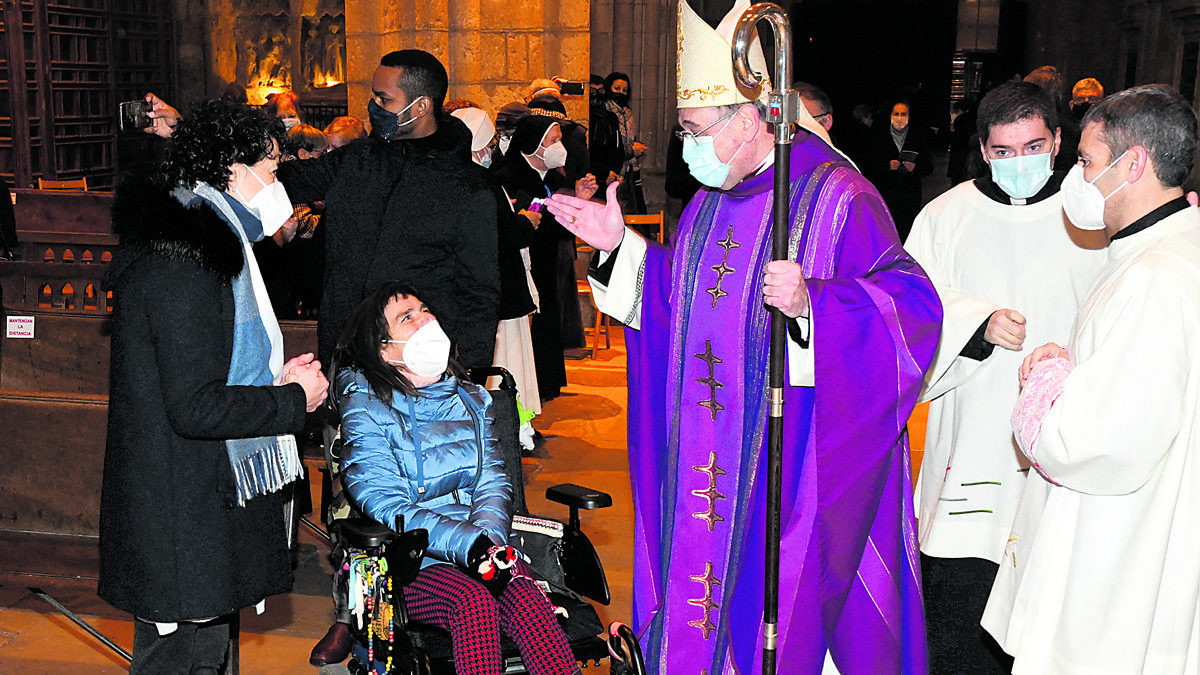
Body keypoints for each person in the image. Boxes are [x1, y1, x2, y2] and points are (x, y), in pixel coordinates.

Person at [545, 1, 941, 672]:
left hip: (795, 466)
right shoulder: (708, 200)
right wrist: (622, 247)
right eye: (683, 130)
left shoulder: (836, 195)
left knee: (781, 616)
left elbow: (912, 308)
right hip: (709, 457)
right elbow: (684, 302)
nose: (686, 144)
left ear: (752, 116)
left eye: (695, 128)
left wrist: (817, 305)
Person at [98, 97, 329, 674]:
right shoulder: (190, 259)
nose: (278, 187)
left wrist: (275, 379)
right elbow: (195, 407)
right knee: (183, 659)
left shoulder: (198, 236)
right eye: (273, 171)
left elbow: (206, 370)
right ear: (233, 169)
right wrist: (293, 400)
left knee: (203, 655)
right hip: (183, 511)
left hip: (193, 495)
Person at [985, 84, 1200, 674]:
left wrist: (1047, 376)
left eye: (1086, 161)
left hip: (1120, 543)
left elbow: (1091, 442)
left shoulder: (1153, 280)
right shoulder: (1174, 247)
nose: (1076, 177)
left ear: (1134, 164)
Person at [905, 80, 1107, 675]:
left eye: (1033, 146)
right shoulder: (944, 217)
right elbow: (909, 319)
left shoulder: (1097, 214)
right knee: (960, 618)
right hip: (971, 444)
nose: (1019, 163)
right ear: (983, 151)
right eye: (1003, 151)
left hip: (1064, 444)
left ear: (1059, 140)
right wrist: (976, 325)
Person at [330, 281, 582, 675]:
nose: (426, 318)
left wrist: (488, 547)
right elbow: (383, 501)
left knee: (526, 595)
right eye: (407, 317)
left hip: (481, 548)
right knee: (473, 601)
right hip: (410, 563)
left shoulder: (473, 400)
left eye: (424, 309)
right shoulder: (367, 407)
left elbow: (494, 485)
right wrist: (470, 545)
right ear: (384, 349)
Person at [277, 49, 500, 370]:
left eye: (384, 100)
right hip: (346, 350)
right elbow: (289, 182)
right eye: (374, 97)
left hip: (418, 361)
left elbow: (480, 291)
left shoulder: (468, 187)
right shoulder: (357, 160)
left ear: (421, 106)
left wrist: (471, 376)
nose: (373, 108)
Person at [492, 115, 597, 400]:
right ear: (534, 145)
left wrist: (578, 200)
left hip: (546, 262)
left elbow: (555, 227)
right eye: (554, 140)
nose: (560, 146)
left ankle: (546, 386)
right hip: (520, 267)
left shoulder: (552, 177)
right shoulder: (508, 178)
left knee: (548, 323)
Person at [452, 104, 543, 417]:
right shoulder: (479, 182)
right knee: (505, 359)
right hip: (495, 288)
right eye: (489, 145)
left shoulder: (452, 176)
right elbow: (499, 233)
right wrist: (525, 223)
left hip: (474, 287)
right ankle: (512, 421)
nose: (493, 151)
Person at [868, 99, 933, 241]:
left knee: (907, 233)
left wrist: (915, 168)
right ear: (890, 115)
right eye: (896, 113)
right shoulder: (878, 136)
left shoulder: (918, 136)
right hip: (886, 194)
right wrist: (886, 166)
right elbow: (869, 165)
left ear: (909, 116)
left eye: (903, 114)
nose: (899, 117)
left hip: (910, 195)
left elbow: (928, 166)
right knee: (886, 232)